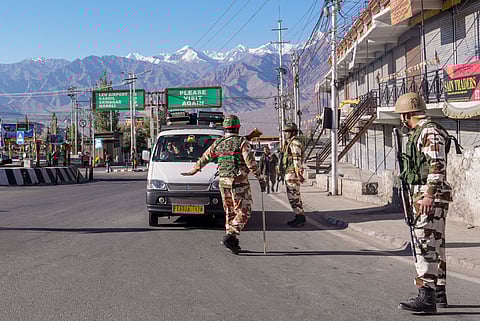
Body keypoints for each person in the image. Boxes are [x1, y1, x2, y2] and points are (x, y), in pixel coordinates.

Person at [395, 93, 453, 314]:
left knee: (424, 244)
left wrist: (428, 195)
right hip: (426, 194)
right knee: (435, 244)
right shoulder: (422, 131)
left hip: (429, 195)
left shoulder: (429, 131)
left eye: (402, 116)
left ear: (408, 114)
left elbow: (437, 164)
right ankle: (438, 293)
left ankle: (426, 295)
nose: (402, 120)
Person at [181, 115, 266, 254]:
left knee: (230, 212)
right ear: (237, 128)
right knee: (245, 211)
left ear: (225, 128)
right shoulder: (242, 142)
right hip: (239, 183)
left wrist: (193, 171)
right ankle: (231, 235)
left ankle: (233, 242)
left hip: (223, 182)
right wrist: (261, 179)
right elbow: (251, 163)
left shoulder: (219, 143)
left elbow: (205, 157)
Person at [281, 122, 306, 227]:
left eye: (287, 131)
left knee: (294, 196)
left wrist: (299, 174)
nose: (285, 134)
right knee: (293, 196)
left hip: (293, 173)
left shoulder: (294, 143)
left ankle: (300, 217)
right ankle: (299, 216)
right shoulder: (290, 142)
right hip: (290, 172)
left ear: (293, 132)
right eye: (285, 131)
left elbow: (296, 159)